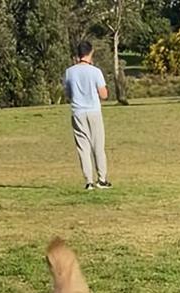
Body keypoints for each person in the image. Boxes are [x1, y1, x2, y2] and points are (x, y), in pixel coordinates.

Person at [63, 42, 112, 191]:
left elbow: (68, 94)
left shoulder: (69, 72)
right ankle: (102, 179)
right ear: (90, 53)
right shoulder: (95, 71)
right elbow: (104, 95)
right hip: (94, 111)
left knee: (83, 147)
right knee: (98, 145)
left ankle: (88, 181)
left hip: (78, 111)